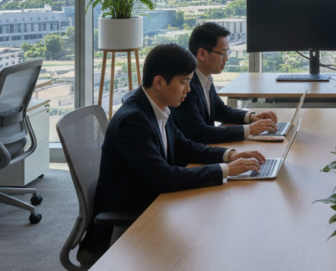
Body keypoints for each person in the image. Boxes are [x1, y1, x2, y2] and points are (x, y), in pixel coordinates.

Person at [83, 43, 264, 258]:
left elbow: (184, 146)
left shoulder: (157, 106)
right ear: (159, 82)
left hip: (155, 206)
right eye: (184, 82)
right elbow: (165, 178)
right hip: (127, 226)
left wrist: (230, 155)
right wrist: (227, 170)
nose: (188, 89)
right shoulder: (132, 121)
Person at [171, 22, 279, 144]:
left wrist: (251, 117)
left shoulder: (204, 78)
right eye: (223, 53)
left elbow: (219, 110)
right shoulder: (186, 87)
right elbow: (199, 133)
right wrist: (250, 129)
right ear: (202, 53)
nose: (226, 58)